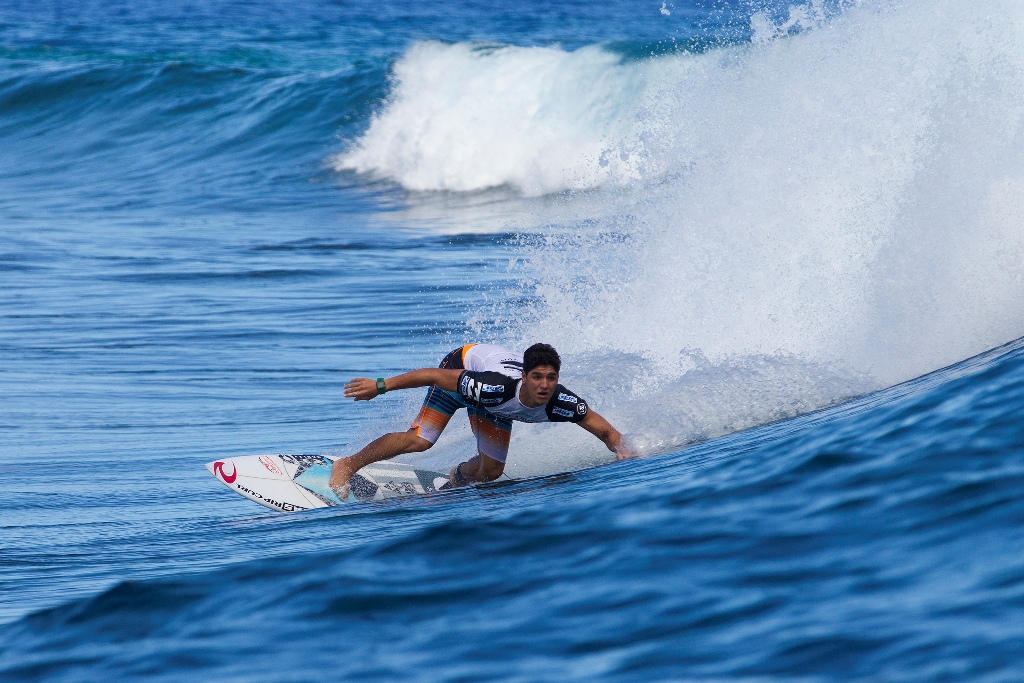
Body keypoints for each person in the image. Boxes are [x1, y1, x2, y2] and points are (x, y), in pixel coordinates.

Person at [329, 343, 632, 497]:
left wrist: (623, 450)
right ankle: (347, 465)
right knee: (420, 440)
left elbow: (606, 432)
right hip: (460, 365)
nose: (544, 386)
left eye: (551, 378)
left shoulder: (562, 403)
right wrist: (380, 386)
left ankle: (455, 480)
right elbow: (432, 376)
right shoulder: (491, 387)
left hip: (494, 406)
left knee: (492, 472)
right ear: (524, 377)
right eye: (537, 377)